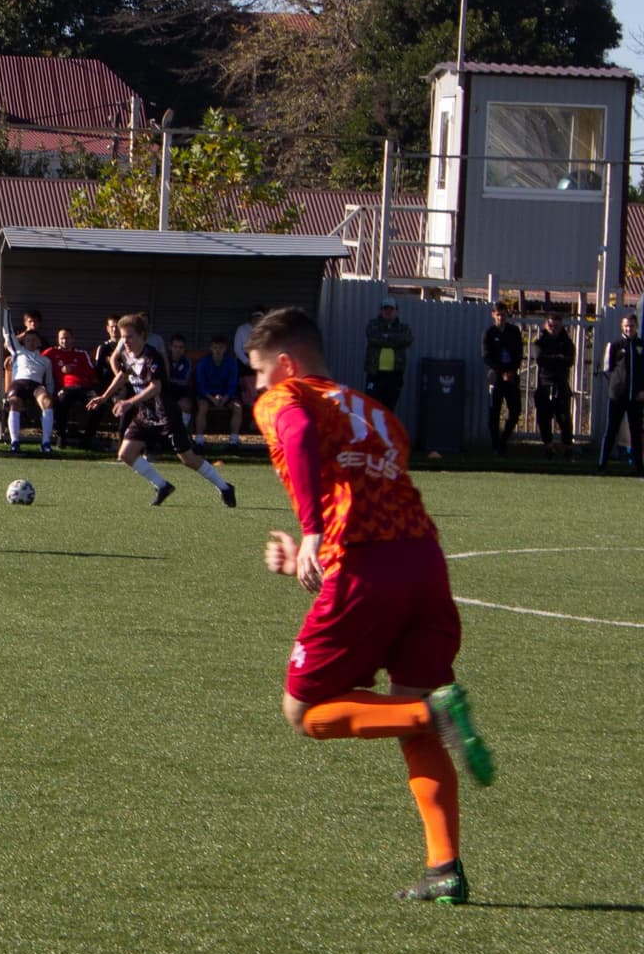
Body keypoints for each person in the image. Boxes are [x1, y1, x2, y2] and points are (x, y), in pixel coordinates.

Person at [246, 305, 495, 905]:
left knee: (304, 710)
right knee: (412, 712)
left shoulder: (286, 398)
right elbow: (370, 497)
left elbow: (301, 438)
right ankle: (445, 868)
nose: (255, 386)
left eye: (257, 372)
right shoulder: (378, 413)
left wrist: (311, 532)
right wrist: (318, 549)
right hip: (425, 566)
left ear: (284, 364)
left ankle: (430, 715)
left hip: (367, 570)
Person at [87, 312, 237, 507]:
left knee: (188, 458)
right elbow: (123, 375)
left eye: (130, 336)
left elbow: (155, 387)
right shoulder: (125, 353)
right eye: (123, 337)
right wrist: (104, 397)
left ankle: (225, 487)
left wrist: (129, 402)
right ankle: (162, 485)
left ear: (142, 336)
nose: (126, 341)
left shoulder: (152, 356)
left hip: (166, 414)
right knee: (126, 454)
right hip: (145, 414)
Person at [0, 309, 56, 454]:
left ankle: (45, 443)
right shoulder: (18, 352)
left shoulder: (45, 361)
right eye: (28, 340)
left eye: (34, 340)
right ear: (23, 341)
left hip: (36, 386)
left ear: (39, 342)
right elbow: (8, 334)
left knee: (47, 402)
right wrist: (5, 311)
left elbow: (49, 381)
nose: (31, 343)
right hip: (19, 383)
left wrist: (51, 394)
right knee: (14, 402)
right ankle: (15, 441)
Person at [596, 312, 644, 475]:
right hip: (617, 396)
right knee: (611, 429)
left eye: (631, 325)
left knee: (636, 432)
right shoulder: (615, 345)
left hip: (636, 397)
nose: (629, 328)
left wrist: (642, 391)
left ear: (636, 326)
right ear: (621, 327)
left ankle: (639, 466)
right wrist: (616, 388)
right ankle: (602, 464)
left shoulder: (641, 345)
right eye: (626, 325)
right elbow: (607, 369)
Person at [44, 327, 99, 448]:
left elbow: (92, 372)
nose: (64, 341)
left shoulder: (81, 353)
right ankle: (61, 436)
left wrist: (73, 368)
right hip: (66, 388)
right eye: (62, 338)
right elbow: (37, 361)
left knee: (99, 405)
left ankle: (87, 439)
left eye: (67, 338)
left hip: (84, 387)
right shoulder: (51, 353)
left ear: (72, 339)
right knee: (62, 400)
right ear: (58, 340)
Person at [481, 303, 524, 455]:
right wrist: (501, 372)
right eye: (498, 314)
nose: (501, 317)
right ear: (493, 315)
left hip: (512, 377)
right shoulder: (489, 333)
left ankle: (503, 440)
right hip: (496, 378)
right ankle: (495, 446)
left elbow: (519, 353)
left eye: (503, 314)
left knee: (515, 410)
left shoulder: (513, 331)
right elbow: (486, 356)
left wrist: (512, 370)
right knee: (494, 411)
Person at [530, 314, 576, 456]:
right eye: (551, 325)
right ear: (545, 325)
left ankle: (567, 446)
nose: (553, 329)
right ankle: (548, 446)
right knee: (544, 417)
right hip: (544, 384)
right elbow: (540, 359)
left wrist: (552, 360)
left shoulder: (567, 343)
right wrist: (558, 359)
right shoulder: (540, 342)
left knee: (564, 418)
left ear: (561, 326)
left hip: (561, 384)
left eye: (556, 326)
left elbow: (569, 361)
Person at [193, 333, 245, 453]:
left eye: (220, 348)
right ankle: (199, 442)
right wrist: (211, 398)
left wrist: (225, 397)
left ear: (225, 349)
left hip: (226, 396)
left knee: (238, 407)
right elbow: (200, 384)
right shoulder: (203, 362)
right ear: (211, 348)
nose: (218, 351)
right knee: (202, 407)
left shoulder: (231, 363)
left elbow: (233, 384)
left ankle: (233, 442)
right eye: (215, 347)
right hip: (207, 395)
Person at [362, 299, 413, 412]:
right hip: (375, 374)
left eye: (391, 309)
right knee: (372, 406)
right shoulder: (373, 325)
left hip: (394, 375)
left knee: (389, 408)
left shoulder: (403, 328)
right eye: (385, 309)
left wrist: (385, 337)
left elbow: (406, 339)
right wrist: (393, 339)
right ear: (381, 311)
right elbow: (373, 338)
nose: (388, 312)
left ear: (396, 311)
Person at [164, 333, 195, 436]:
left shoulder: (187, 362)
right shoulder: (164, 360)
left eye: (181, 347)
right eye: (175, 346)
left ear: (184, 349)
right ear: (170, 347)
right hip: (166, 390)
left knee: (186, 405)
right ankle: (163, 436)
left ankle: (182, 434)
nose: (178, 350)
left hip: (181, 391)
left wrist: (170, 379)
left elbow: (184, 381)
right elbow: (163, 379)